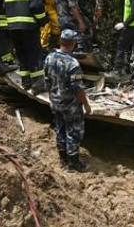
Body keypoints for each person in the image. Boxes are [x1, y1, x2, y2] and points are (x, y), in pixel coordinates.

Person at [44, 29, 92, 172]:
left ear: (60, 41)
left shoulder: (49, 58)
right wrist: (86, 105)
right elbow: (78, 88)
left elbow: (46, 80)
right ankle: (74, 163)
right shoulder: (73, 64)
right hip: (70, 105)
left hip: (55, 102)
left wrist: (52, 97)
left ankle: (63, 159)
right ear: (73, 44)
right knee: (74, 132)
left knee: (60, 129)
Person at [5, 0, 49, 92]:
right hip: (29, 25)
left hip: (12, 25)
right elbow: (36, 5)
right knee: (34, 54)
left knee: (21, 54)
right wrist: (43, 20)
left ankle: (26, 82)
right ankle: (38, 85)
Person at [95, 0, 125, 68]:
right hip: (119, 23)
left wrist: (97, 21)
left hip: (106, 25)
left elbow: (99, 12)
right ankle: (119, 66)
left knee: (107, 47)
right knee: (118, 45)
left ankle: (109, 66)